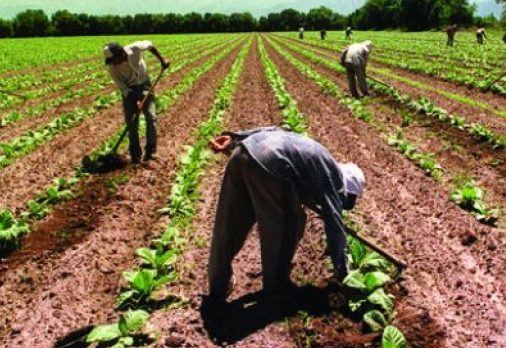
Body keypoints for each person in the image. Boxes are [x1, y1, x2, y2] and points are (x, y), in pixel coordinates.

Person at [206, 126, 365, 302]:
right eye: (347, 200)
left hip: (242, 152)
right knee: (290, 223)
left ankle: (218, 285)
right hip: (270, 164)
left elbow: (277, 130)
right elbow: (335, 225)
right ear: (347, 188)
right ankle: (276, 287)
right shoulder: (333, 177)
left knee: (230, 223)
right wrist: (343, 273)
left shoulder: (317, 154)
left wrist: (235, 140)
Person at [103, 40, 169, 163]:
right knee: (131, 123)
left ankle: (151, 153)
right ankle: (135, 155)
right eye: (111, 61)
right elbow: (122, 86)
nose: (114, 63)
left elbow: (150, 45)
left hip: (145, 86)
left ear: (121, 53)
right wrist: (135, 100)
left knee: (151, 117)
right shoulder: (112, 68)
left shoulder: (134, 49)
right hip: (129, 91)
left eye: (114, 60)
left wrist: (162, 59)